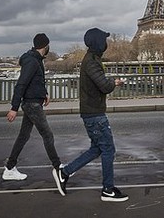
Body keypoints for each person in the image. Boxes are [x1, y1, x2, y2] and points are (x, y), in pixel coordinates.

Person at [52, 28, 128, 202]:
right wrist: (114, 82)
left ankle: (64, 173)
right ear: (98, 43)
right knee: (108, 149)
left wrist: (110, 82)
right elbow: (104, 86)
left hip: (92, 112)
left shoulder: (91, 59)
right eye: (104, 40)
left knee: (97, 149)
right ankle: (108, 190)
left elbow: (100, 83)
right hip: (95, 114)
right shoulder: (92, 62)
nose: (106, 44)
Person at [2, 33, 61, 181]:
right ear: (45, 46)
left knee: (23, 136)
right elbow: (21, 84)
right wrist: (14, 108)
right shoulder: (33, 62)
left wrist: (44, 94)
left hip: (33, 102)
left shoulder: (35, 59)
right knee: (47, 135)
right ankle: (58, 167)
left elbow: (35, 82)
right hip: (32, 105)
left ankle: (9, 167)